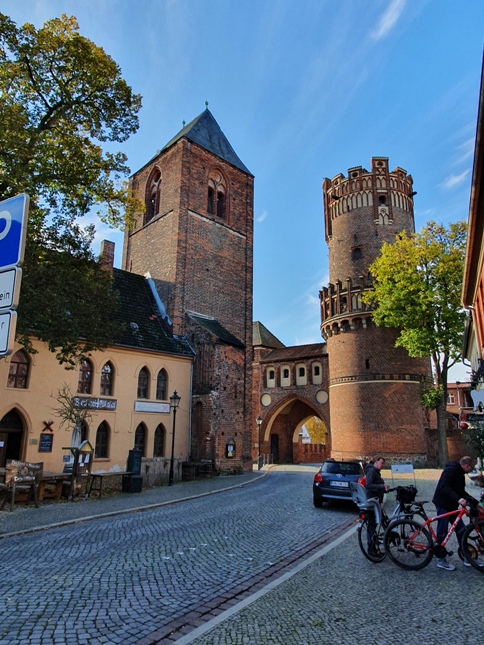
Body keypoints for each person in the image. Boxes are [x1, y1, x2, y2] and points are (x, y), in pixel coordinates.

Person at [432, 455, 478, 571]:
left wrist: (476, 503)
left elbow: (461, 491)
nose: (471, 470)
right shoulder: (450, 470)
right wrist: (458, 499)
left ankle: (467, 557)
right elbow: (444, 486)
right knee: (443, 530)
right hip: (443, 504)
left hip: (452, 505)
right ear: (466, 465)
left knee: (461, 530)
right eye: (471, 468)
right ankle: (440, 559)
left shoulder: (460, 474)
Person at [364, 457, 390, 555]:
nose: (382, 465)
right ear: (376, 462)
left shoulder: (375, 471)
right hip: (372, 503)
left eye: (383, 463)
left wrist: (384, 489)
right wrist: (382, 486)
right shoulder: (372, 471)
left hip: (376, 502)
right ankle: (371, 548)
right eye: (381, 463)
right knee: (372, 525)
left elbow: (376, 485)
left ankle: (376, 547)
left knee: (381, 522)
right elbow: (369, 485)